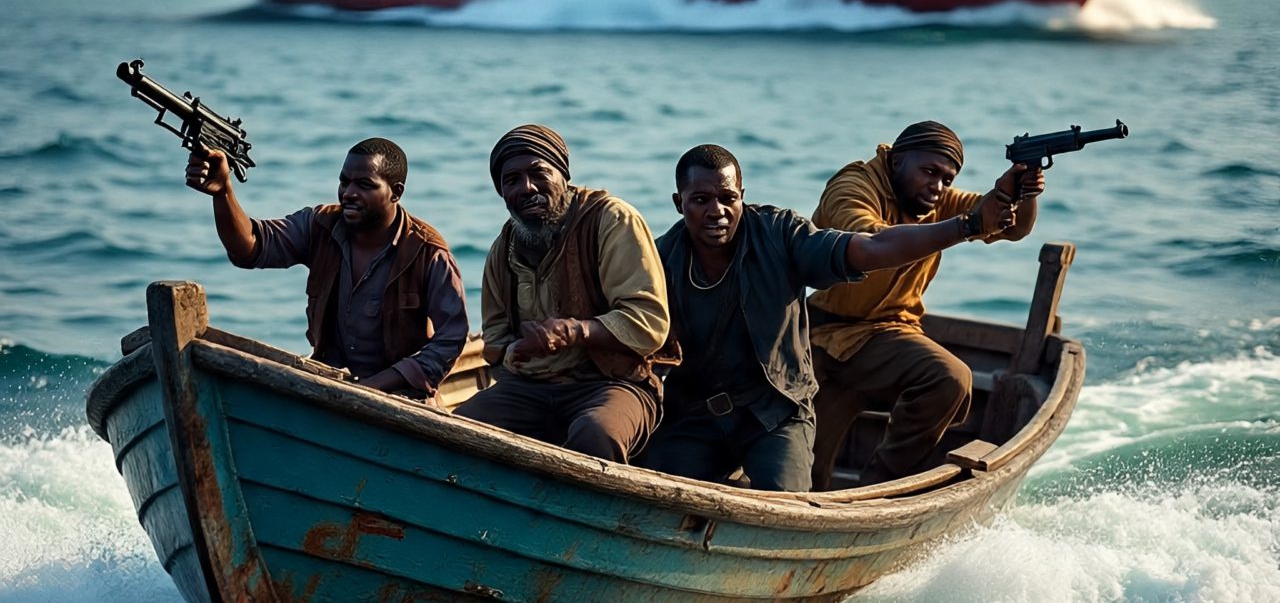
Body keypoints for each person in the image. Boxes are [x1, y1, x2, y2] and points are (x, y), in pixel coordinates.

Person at [638, 144, 1015, 491]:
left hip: (777, 412)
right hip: (695, 419)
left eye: (727, 198)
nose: (716, 211)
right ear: (678, 202)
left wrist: (967, 226)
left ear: (742, 198)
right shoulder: (660, 261)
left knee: (783, 510)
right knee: (654, 497)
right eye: (700, 200)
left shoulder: (779, 234)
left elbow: (873, 247)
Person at [808, 120, 1046, 488]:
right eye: (930, 172)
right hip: (821, 335)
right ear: (898, 160)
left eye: (947, 179)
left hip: (887, 336)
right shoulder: (854, 185)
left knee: (950, 379)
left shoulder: (935, 200)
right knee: (803, 477)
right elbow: (870, 243)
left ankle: (881, 486)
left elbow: (1011, 227)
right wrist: (967, 225)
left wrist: (1019, 191)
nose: (938, 186)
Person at [452, 125, 673, 463]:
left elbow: (649, 323)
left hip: (612, 384)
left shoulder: (612, 220)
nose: (527, 188)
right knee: (457, 432)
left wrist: (573, 332)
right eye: (511, 181)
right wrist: (515, 349)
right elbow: (494, 338)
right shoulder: (504, 248)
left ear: (562, 174)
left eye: (538, 174)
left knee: (595, 434)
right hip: (529, 389)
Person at [184, 137, 469, 398]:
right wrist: (222, 193)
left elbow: (452, 337)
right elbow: (250, 247)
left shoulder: (427, 251)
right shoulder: (320, 225)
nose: (349, 193)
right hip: (329, 387)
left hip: (403, 397)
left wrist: (374, 387)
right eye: (344, 182)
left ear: (396, 192)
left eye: (365, 185)